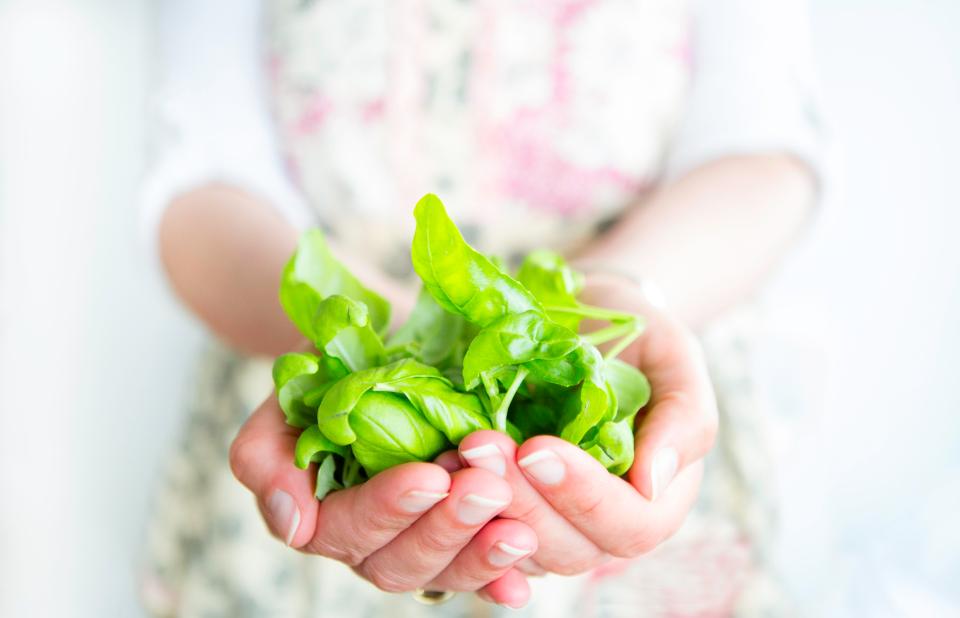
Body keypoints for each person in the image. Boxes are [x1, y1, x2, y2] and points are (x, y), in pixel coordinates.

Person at [141, 0, 823, 615]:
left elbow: (763, 147)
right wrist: (394, 334)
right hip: (306, 427)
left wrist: (612, 292)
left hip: (647, 416)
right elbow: (202, 175)